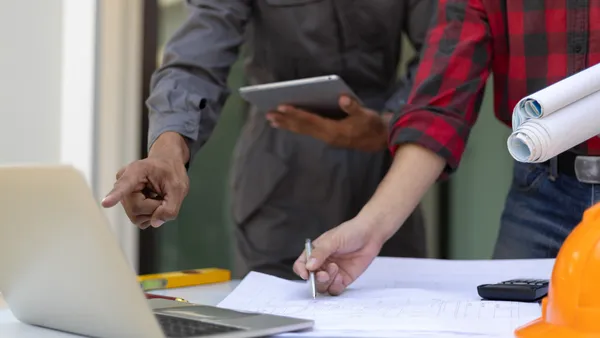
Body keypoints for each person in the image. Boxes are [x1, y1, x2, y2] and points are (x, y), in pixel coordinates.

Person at [100, 0, 434, 280]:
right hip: (279, 175)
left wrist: (391, 122)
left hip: (385, 170)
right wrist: (167, 150)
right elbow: (198, 53)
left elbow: (440, 50)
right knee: (275, 314)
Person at [292, 0, 600, 295]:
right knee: (507, 323)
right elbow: (440, 104)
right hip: (544, 188)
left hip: (543, 186)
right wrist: (370, 228)